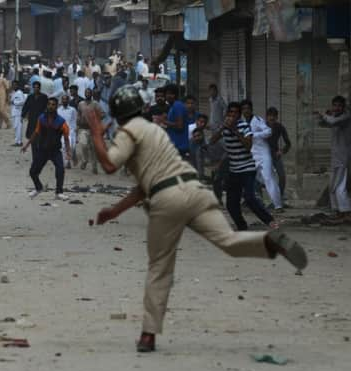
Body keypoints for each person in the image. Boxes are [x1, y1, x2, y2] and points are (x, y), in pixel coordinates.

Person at [85, 84, 307, 353]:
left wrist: (97, 132)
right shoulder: (155, 130)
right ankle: (270, 243)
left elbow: (109, 165)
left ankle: (148, 334)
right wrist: (116, 210)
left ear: (120, 115)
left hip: (166, 201)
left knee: (159, 268)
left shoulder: (128, 131)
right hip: (194, 190)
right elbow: (146, 183)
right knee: (228, 240)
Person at [210, 102, 277, 230]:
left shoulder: (244, 126)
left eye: (235, 113)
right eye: (230, 112)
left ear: (239, 115)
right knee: (231, 203)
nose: (232, 115)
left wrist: (235, 130)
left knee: (249, 197)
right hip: (234, 170)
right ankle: (241, 225)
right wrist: (223, 129)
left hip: (247, 168)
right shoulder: (223, 127)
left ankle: (269, 221)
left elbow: (248, 145)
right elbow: (212, 141)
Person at [22, 97, 71, 200]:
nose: (50, 106)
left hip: (55, 151)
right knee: (32, 172)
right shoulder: (41, 118)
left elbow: (66, 139)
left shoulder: (61, 122)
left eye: (53, 104)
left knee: (60, 170)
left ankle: (59, 192)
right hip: (42, 150)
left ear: (56, 106)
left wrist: (68, 152)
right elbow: (36, 132)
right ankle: (38, 187)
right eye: (49, 104)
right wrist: (27, 145)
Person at [241, 99, 283, 211]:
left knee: (269, 179)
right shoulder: (242, 123)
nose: (246, 111)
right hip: (252, 154)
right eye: (244, 109)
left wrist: (253, 135)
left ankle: (278, 206)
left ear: (251, 109)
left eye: (248, 108)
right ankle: (252, 202)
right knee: (249, 178)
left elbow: (268, 131)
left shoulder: (257, 120)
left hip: (264, 154)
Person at [316, 95, 351, 224]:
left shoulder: (346, 117)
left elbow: (331, 122)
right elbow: (322, 123)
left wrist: (325, 115)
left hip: (343, 159)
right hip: (336, 159)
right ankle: (338, 212)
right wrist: (322, 116)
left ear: (343, 107)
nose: (336, 108)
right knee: (332, 187)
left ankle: (346, 212)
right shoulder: (335, 117)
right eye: (334, 105)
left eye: (339, 106)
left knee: (339, 187)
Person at [266, 107, 291, 200]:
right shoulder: (262, 126)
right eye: (270, 116)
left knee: (282, 176)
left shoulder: (279, 127)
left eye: (274, 116)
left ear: (277, 117)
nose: (272, 118)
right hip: (263, 156)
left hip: (275, 155)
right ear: (267, 117)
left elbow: (288, 144)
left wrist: (281, 151)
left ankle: (279, 198)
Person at [77, 88, 103, 174]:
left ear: (91, 94)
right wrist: (78, 122)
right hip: (83, 128)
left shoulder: (95, 104)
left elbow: (103, 114)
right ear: (84, 94)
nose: (87, 94)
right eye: (86, 92)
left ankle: (94, 167)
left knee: (93, 149)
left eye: (89, 93)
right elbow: (79, 114)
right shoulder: (81, 104)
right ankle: (84, 161)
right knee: (83, 145)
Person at [22, 81, 49, 159]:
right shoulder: (30, 97)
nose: (36, 89)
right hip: (32, 120)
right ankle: (35, 155)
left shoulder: (44, 97)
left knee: (41, 138)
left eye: (37, 87)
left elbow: (47, 108)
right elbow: (26, 107)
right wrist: (23, 115)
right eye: (34, 87)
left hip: (41, 121)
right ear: (33, 88)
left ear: (40, 88)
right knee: (32, 138)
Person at [162, 84, 189, 157]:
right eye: (167, 94)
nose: (169, 96)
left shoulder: (177, 106)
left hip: (179, 146)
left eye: (171, 94)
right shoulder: (172, 107)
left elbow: (180, 126)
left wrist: (164, 121)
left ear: (175, 95)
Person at [58, 94, 77, 168]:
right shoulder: (58, 110)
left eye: (66, 99)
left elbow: (75, 120)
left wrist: (75, 131)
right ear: (61, 101)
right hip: (62, 132)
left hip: (71, 131)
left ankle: (72, 158)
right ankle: (66, 162)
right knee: (63, 147)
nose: (64, 101)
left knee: (72, 147)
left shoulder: (72, 110)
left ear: (68, 100)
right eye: (63, 99)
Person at [188, 114, 209, 178]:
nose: (203, 124)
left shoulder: (201, 130)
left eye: (204, 123)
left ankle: (199, 175)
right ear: (196, 121)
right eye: (201, 122)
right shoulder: (191, 129)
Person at [10, 80, 26, 146]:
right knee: (16, 127)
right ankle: (17, 141)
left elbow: (23, 101)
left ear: (18, 85)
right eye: (13, 84)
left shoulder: (20, 93)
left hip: (19, 113)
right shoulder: (14, 92)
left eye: (15, 84)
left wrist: (15, 102)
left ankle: (19, 142)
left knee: (18, 128)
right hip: (14, 112)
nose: (14, 86)